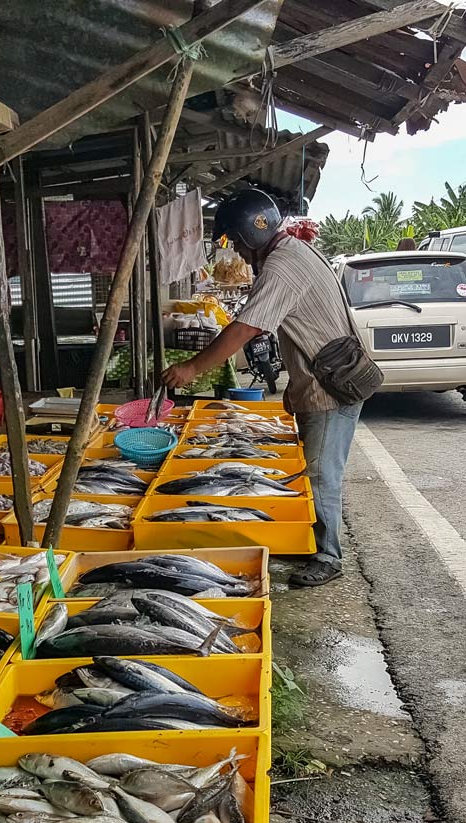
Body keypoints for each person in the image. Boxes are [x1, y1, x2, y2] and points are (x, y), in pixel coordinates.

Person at [162, 188, 364, 588]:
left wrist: (192, 368)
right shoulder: (293, 253)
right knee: (315, 468)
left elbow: (245, 328)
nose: (236, 249)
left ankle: (328, 555)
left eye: (236, 241)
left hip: (331, 387)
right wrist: (294, 385)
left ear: (252, 233)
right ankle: (310, 538)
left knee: (322, 473)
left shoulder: (282, 265)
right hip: (321, 377)